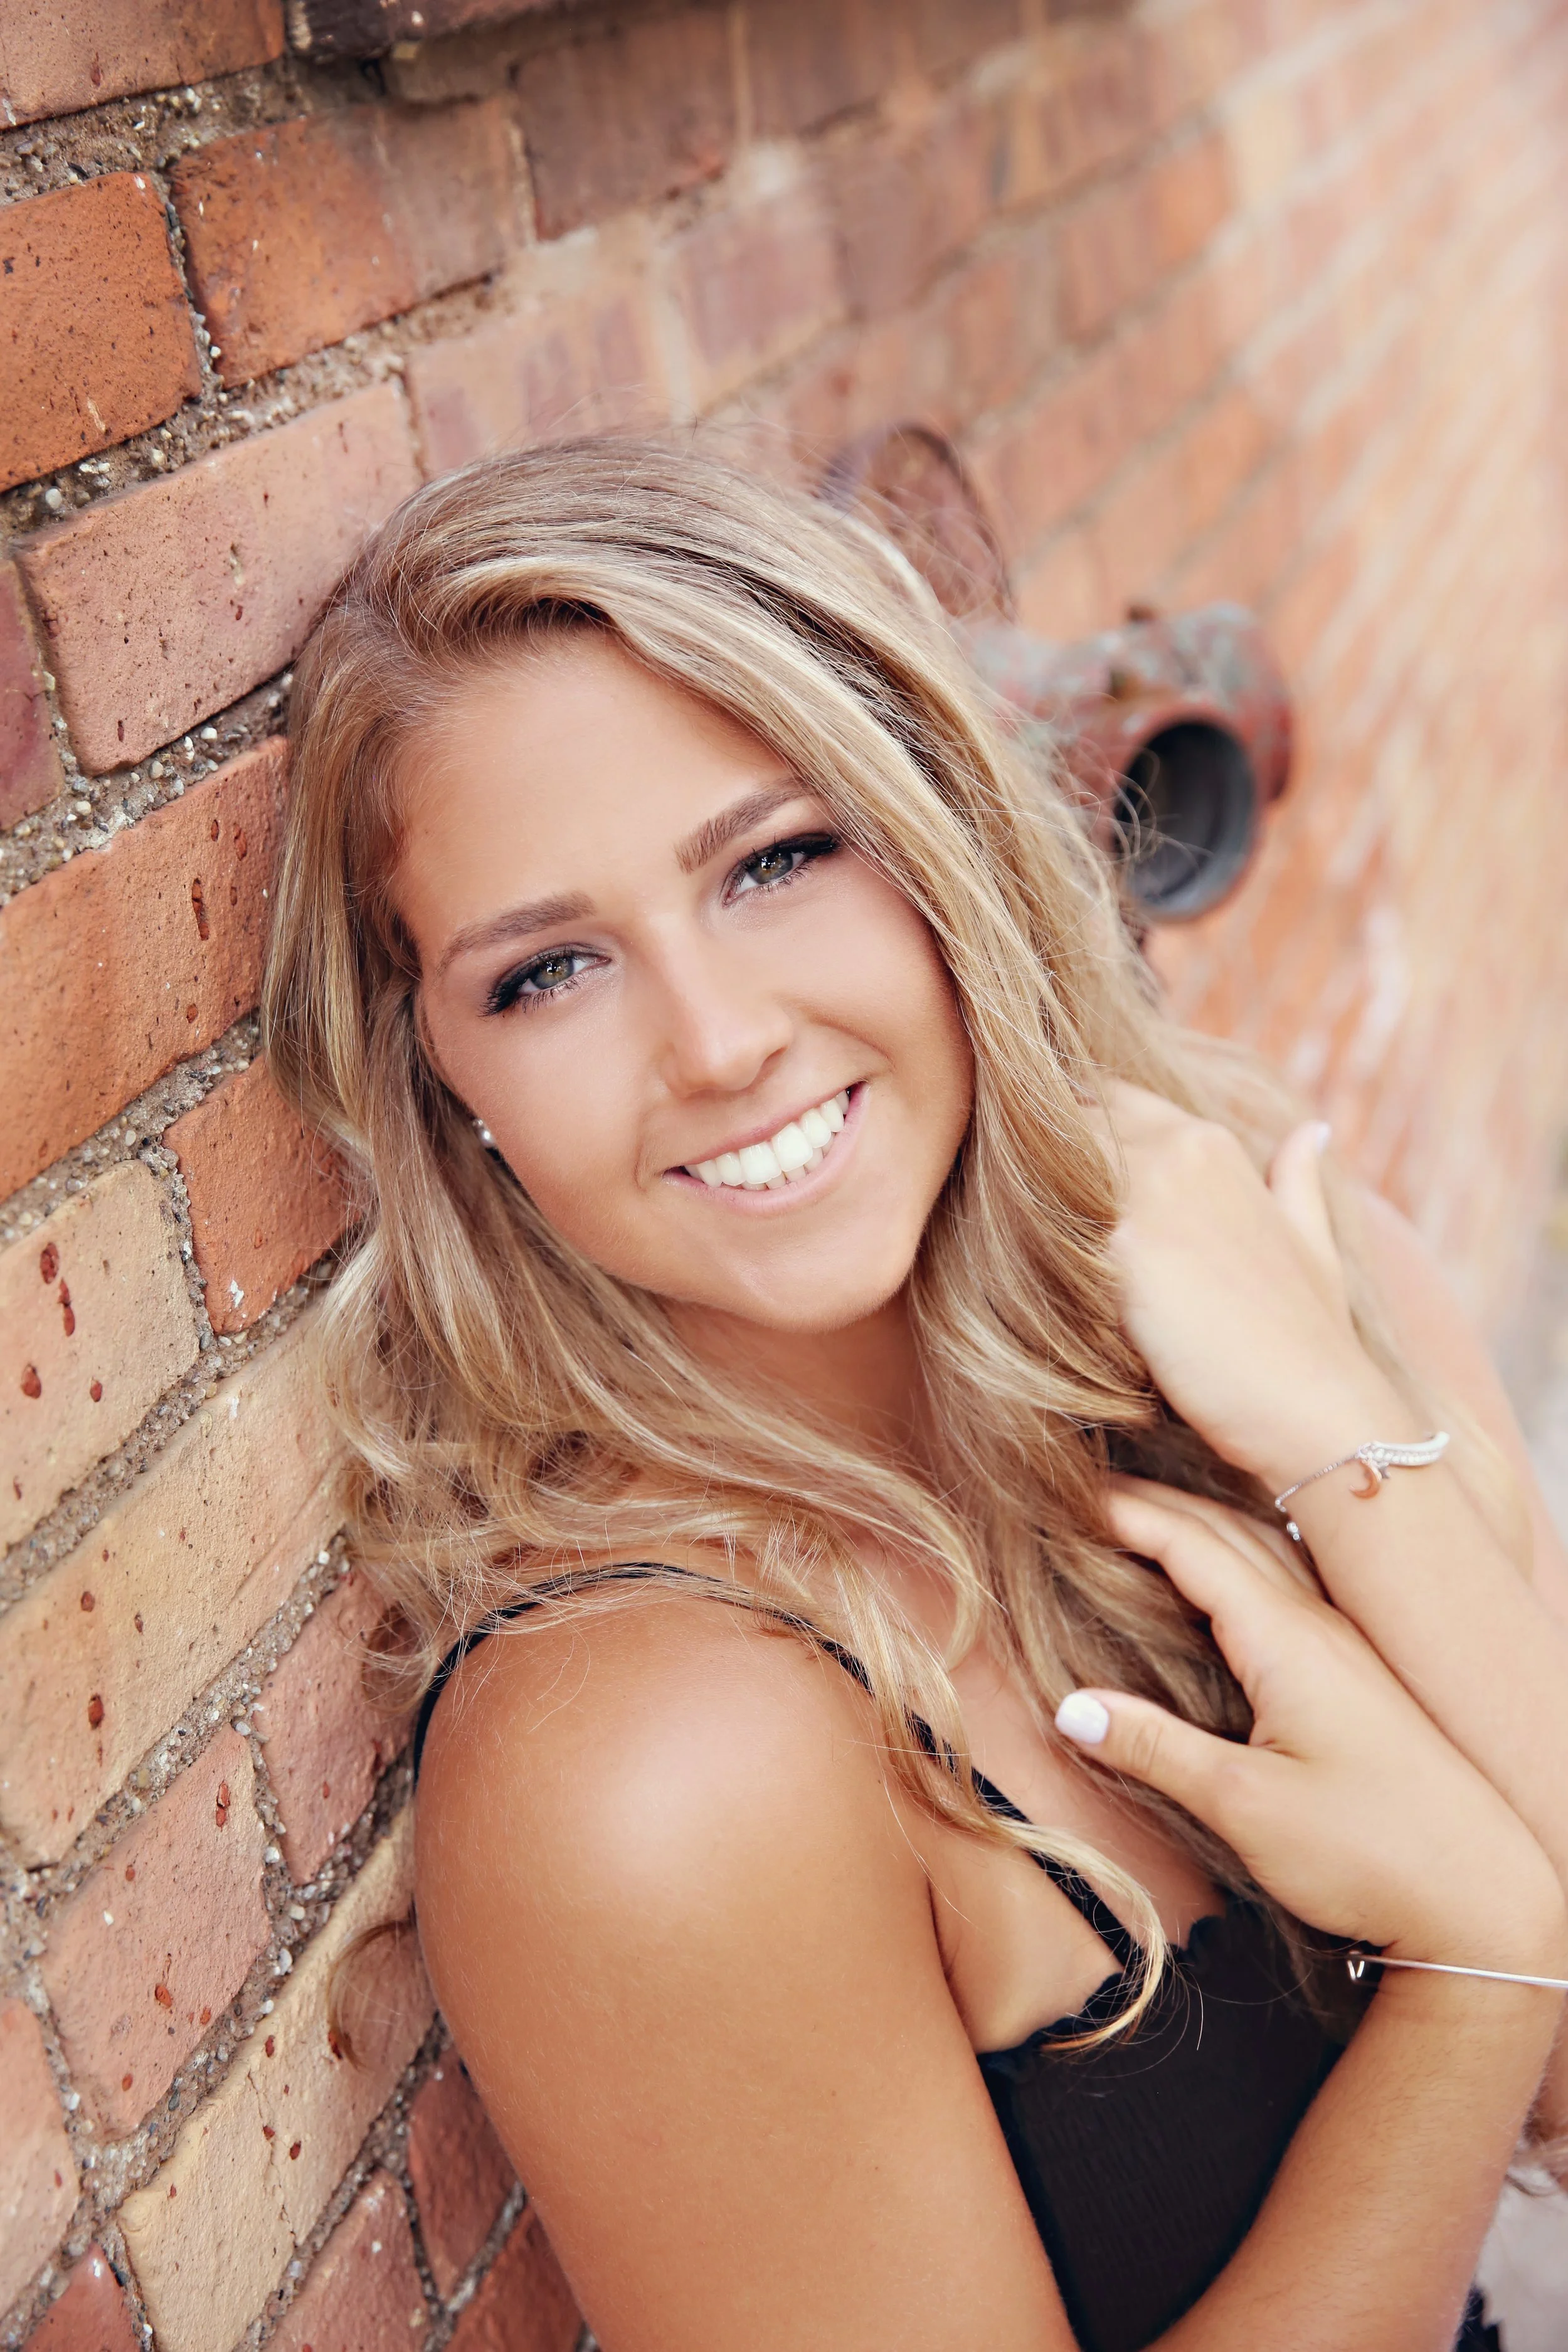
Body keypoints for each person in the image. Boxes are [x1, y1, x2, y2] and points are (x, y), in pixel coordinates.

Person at [262, 440, 1568, 2352]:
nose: (717, 1044)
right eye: (548, 971)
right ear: (442, 1081)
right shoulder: (649, 1761)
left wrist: (1334, 1447)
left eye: (779, 859)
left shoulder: (1270, 1250)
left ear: (943, 837)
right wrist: (1468, 1984)